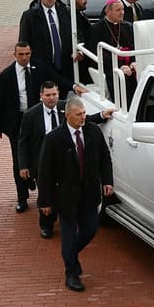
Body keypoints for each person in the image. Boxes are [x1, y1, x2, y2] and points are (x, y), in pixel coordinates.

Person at [37, 96, 114, 292]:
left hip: (89, 194)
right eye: (79, 114)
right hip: (65, 198)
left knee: (90, 229)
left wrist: (107, 181)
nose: (83, 117)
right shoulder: (54, 138)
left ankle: (70, 255)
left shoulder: (93, 131)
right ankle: (72, 273)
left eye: (84, 113)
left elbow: (105, 157)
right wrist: (44, 201)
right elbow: (45, 171)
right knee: (69, 234)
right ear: (68, 115)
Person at [0, 42, 41, 212]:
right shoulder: (5, 76)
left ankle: (38, 187)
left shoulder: (38, 69)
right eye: (21, 54)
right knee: (18, 160)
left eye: (27, 53)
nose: (25, 57)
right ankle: (22, 197)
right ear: (15, 55)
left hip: (35, 120)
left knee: (39, 155)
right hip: (16, 122)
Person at [18, 0, 84, 95]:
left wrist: (79, 51)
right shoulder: (30, 17)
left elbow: (79, 34)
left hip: (65, 66)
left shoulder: (67, 11)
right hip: (42, 68)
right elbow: (24, 42)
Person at [18, 80, 65, 238]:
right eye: (48, 95)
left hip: (64, 160)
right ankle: (47, 225)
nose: (52, 98)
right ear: (41, 96)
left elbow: (83, 119)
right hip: (41, 163)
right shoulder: (30, 115)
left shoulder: (65, 108)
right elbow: (23, 142)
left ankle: (66, 221)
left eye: (54, 94)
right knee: (46, 192)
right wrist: (23, 165)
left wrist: (101, 115)